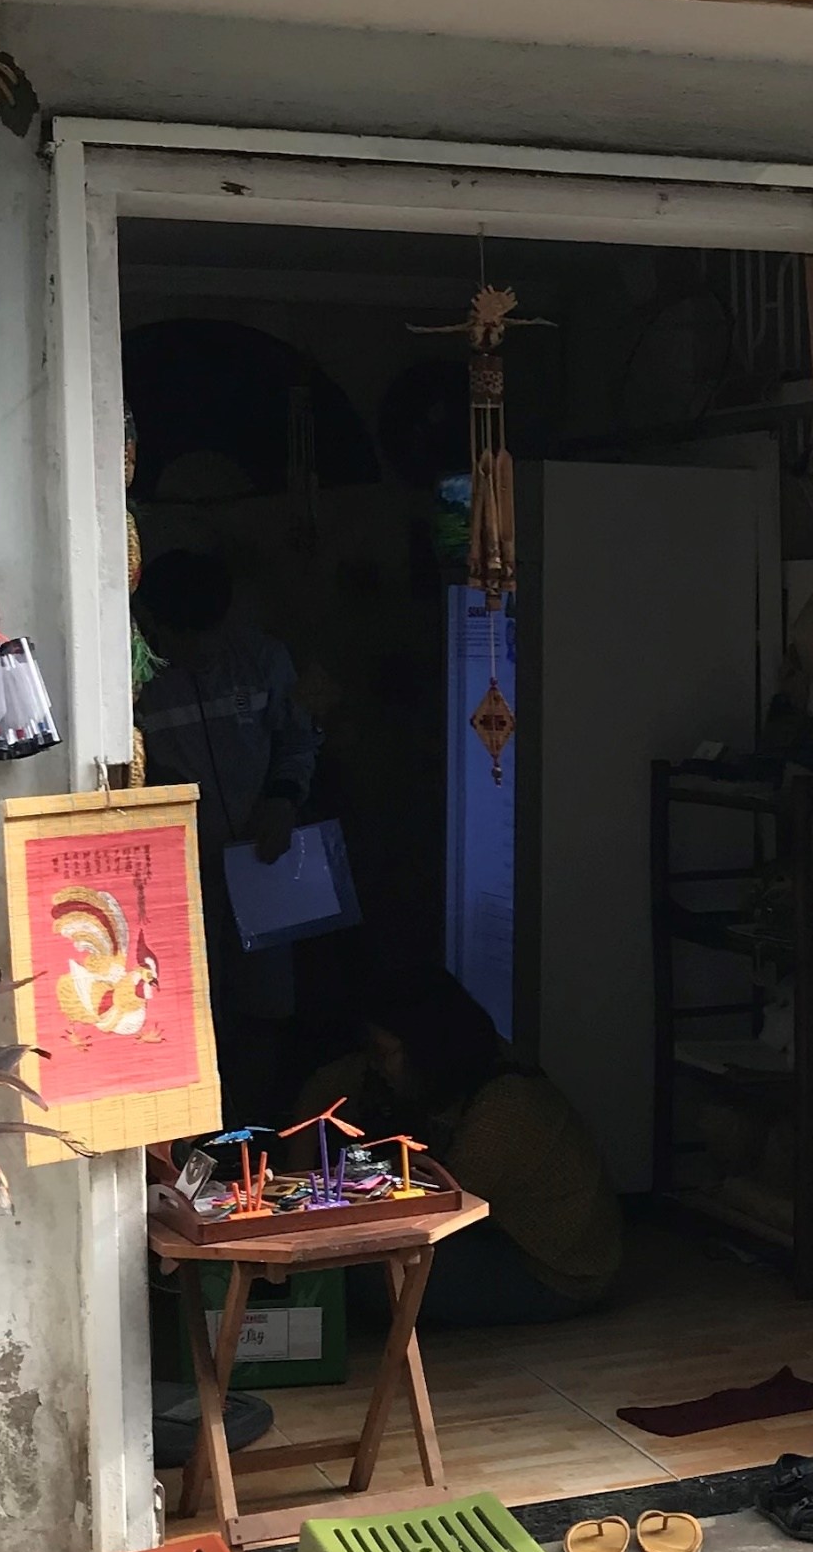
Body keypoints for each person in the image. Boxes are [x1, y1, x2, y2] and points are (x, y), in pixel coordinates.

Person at [298, 968, 623, 1325]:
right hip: (500, 1236)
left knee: (352, 1275)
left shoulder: (504, 1110)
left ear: (426, 1049)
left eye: (383, 1053)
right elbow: (332, 1082)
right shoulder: (468, 1067)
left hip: (554, 1272)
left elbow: (442, 1209)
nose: (376, 1067)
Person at [134, 551, 319, 1118]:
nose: (201, 650)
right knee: (186, 1011)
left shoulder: (261, 660)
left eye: (210, 632)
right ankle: (201, 1135)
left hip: (261, 864)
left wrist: (283, 799)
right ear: (154, 627)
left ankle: (260, 1126)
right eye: (184, 638)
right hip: (173, 882)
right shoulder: (134, 678)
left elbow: (299, 738)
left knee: (267, 1009)